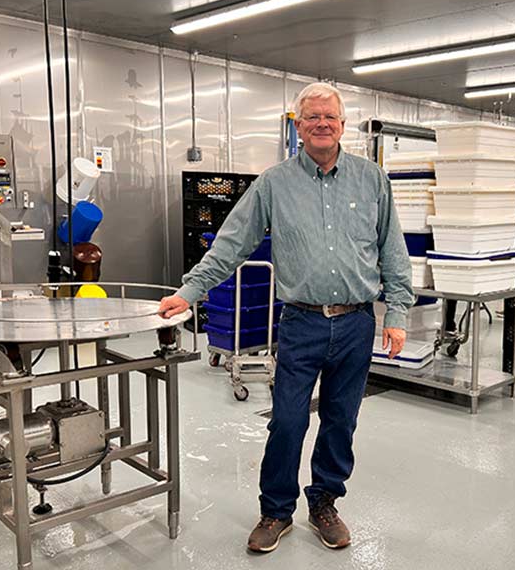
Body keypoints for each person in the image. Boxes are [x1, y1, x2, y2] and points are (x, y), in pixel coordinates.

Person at [158, 82, 414, 553]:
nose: (321, 124)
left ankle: (324, 503)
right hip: (302, 322)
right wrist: (192, 290)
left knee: (341, 421)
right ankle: (276, 511)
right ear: (299, 125)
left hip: (357, 322)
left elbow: (391, 251)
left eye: (330, 117)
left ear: (342, 125)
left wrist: (396, 312)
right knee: (288, 421)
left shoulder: (372, 179)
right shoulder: (274, 184)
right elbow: (232, 243)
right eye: (312, 117)